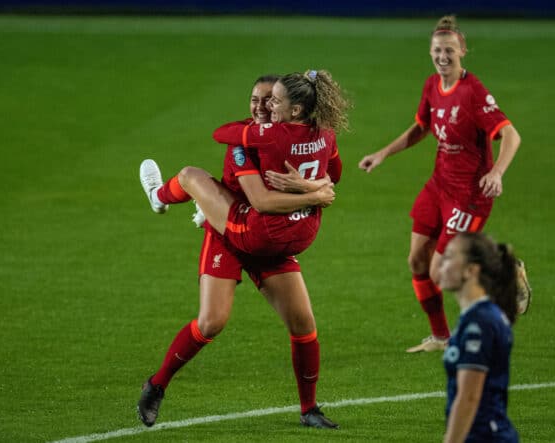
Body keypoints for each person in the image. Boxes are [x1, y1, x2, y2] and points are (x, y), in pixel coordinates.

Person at [137, 72, 348, 429]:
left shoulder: (279, 136)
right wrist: (315, 192)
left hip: (267, 236)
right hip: (233, 234)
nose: (262, 106)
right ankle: (156, 385)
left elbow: (332, 171)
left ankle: (309, 409)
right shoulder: (244, 144)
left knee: (304, 325)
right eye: (256, 99)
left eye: (270, 100)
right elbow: (262, 199)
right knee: (212, 322)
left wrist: (307, 184)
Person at [358, 15, 521, 352]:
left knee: (438, 272)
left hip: (469, 194)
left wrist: (497, 173)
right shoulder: (432, 85)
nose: (442, 56)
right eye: (436, 50)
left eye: (449, 50)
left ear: (462, 50)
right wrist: (384, 153)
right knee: (416, 260)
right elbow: (421, 127)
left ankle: (505, 271)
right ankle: (440, 336)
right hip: (439, 186)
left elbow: (510, 134)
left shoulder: (473, 91)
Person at [439, 232, 519, 442]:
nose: (441, 265)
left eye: (449, 257)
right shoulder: (478, 316)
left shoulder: (480, 322)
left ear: (471, 270)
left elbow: (469, 397)